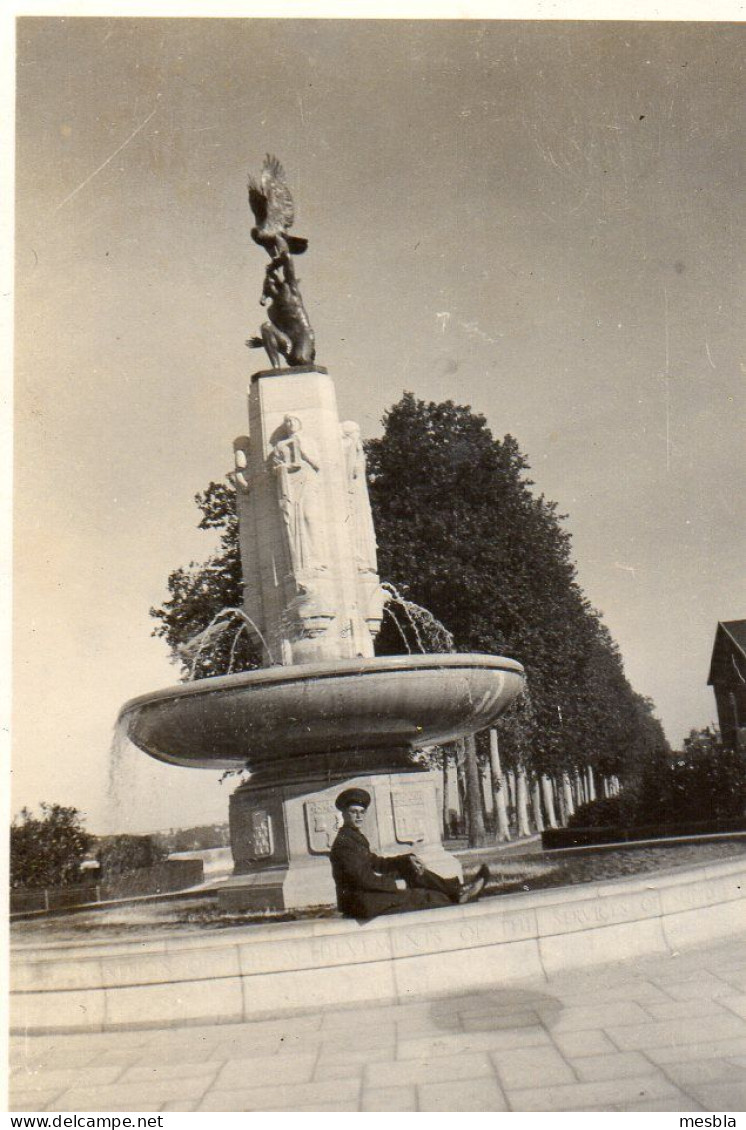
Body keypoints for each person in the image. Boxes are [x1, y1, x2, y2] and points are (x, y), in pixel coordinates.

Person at [329, 787, 490, 920]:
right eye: (353, 812)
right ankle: (457, 893)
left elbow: (377, 863)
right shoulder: (344, 844)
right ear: (343, 813)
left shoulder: (353, 837)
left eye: (362, 812)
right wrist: (396, 884)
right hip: (360, 902)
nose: (359, 816)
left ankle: (458, 890)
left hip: (366, 895)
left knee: (410, 868)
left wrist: (406, 859)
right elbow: (362, 879)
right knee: (428, 897)